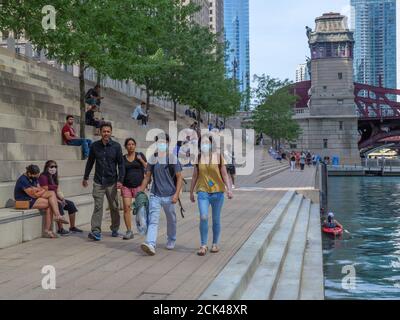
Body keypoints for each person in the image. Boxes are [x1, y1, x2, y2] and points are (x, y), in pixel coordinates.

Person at [138, 134, 183, 256]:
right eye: (159, 142)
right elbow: (147, 177)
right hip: (155, 194)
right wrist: (140, 191)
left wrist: (176, 194)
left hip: (169, 195)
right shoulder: (153, 158)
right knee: (153, 220)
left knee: (171, 219)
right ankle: (151, 244)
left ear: (168, 143)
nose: (162, 144)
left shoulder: (173, 159)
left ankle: (171, 239)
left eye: (164, 142)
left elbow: (179, 178)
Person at [190, 136, 233, 256]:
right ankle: (203, 245)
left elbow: (224, 174)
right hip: (203, 191)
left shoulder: (218, 156)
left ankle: (215, 243)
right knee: (203, 217)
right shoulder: (198, 158)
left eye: (206, 142)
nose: (204, 144)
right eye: (202, 143)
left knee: (216, 219)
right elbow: (194, 176)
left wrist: (229, 189)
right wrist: (191, 192)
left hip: (218, 192)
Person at [83, 123, 125, 241]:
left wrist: (120, 180)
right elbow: (90, 162)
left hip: (112, 181)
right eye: (104, 131)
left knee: (114, 207)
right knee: (98, 206)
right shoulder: (95, 146)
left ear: (111, 132)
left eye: (108, 131)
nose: (106, 133)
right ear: (100, 132)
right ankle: (96, 231)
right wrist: (85, 177)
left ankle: (115, 228)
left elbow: (121, 164)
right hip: (98, 182)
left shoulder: (116, 146)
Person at [14, 165, 68, 238]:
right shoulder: (23, 180)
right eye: (35, 175)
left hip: (32, 197)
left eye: (37, 175)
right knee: (50, 204)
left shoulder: (34, 177)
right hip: (25, 200)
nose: (36, 177)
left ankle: (57, 216)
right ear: (29, 173)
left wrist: (38, 190)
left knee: (51, 193)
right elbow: (34, 195)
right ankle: (48, 230)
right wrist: (39, 190)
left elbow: (40, 189)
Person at [39, 160, 83, 236]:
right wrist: (58, 200)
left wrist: (62, 199)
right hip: (48, 198)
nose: (54, 168)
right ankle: (60, 229)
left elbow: (57, 190)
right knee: (58, 205)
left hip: (56, 197)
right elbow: (45, 191)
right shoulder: (43, 177)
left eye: (55, 167)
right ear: (47, 167)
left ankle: (72, 227)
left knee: (71, 205)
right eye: (51, 166)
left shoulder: (54, 177)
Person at [121, 138, 147, 240]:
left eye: (132, 144)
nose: (131, 146)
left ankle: (142, 227)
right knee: (127, 208)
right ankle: (129, 231)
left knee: (140, 209)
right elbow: (122, 171)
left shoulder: (139, 155)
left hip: (138, 186)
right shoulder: (123, 158)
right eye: (129, 144)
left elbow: (147, 167)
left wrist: (140, 160)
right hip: (126, 186)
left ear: (135, 145)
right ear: (126, 146)